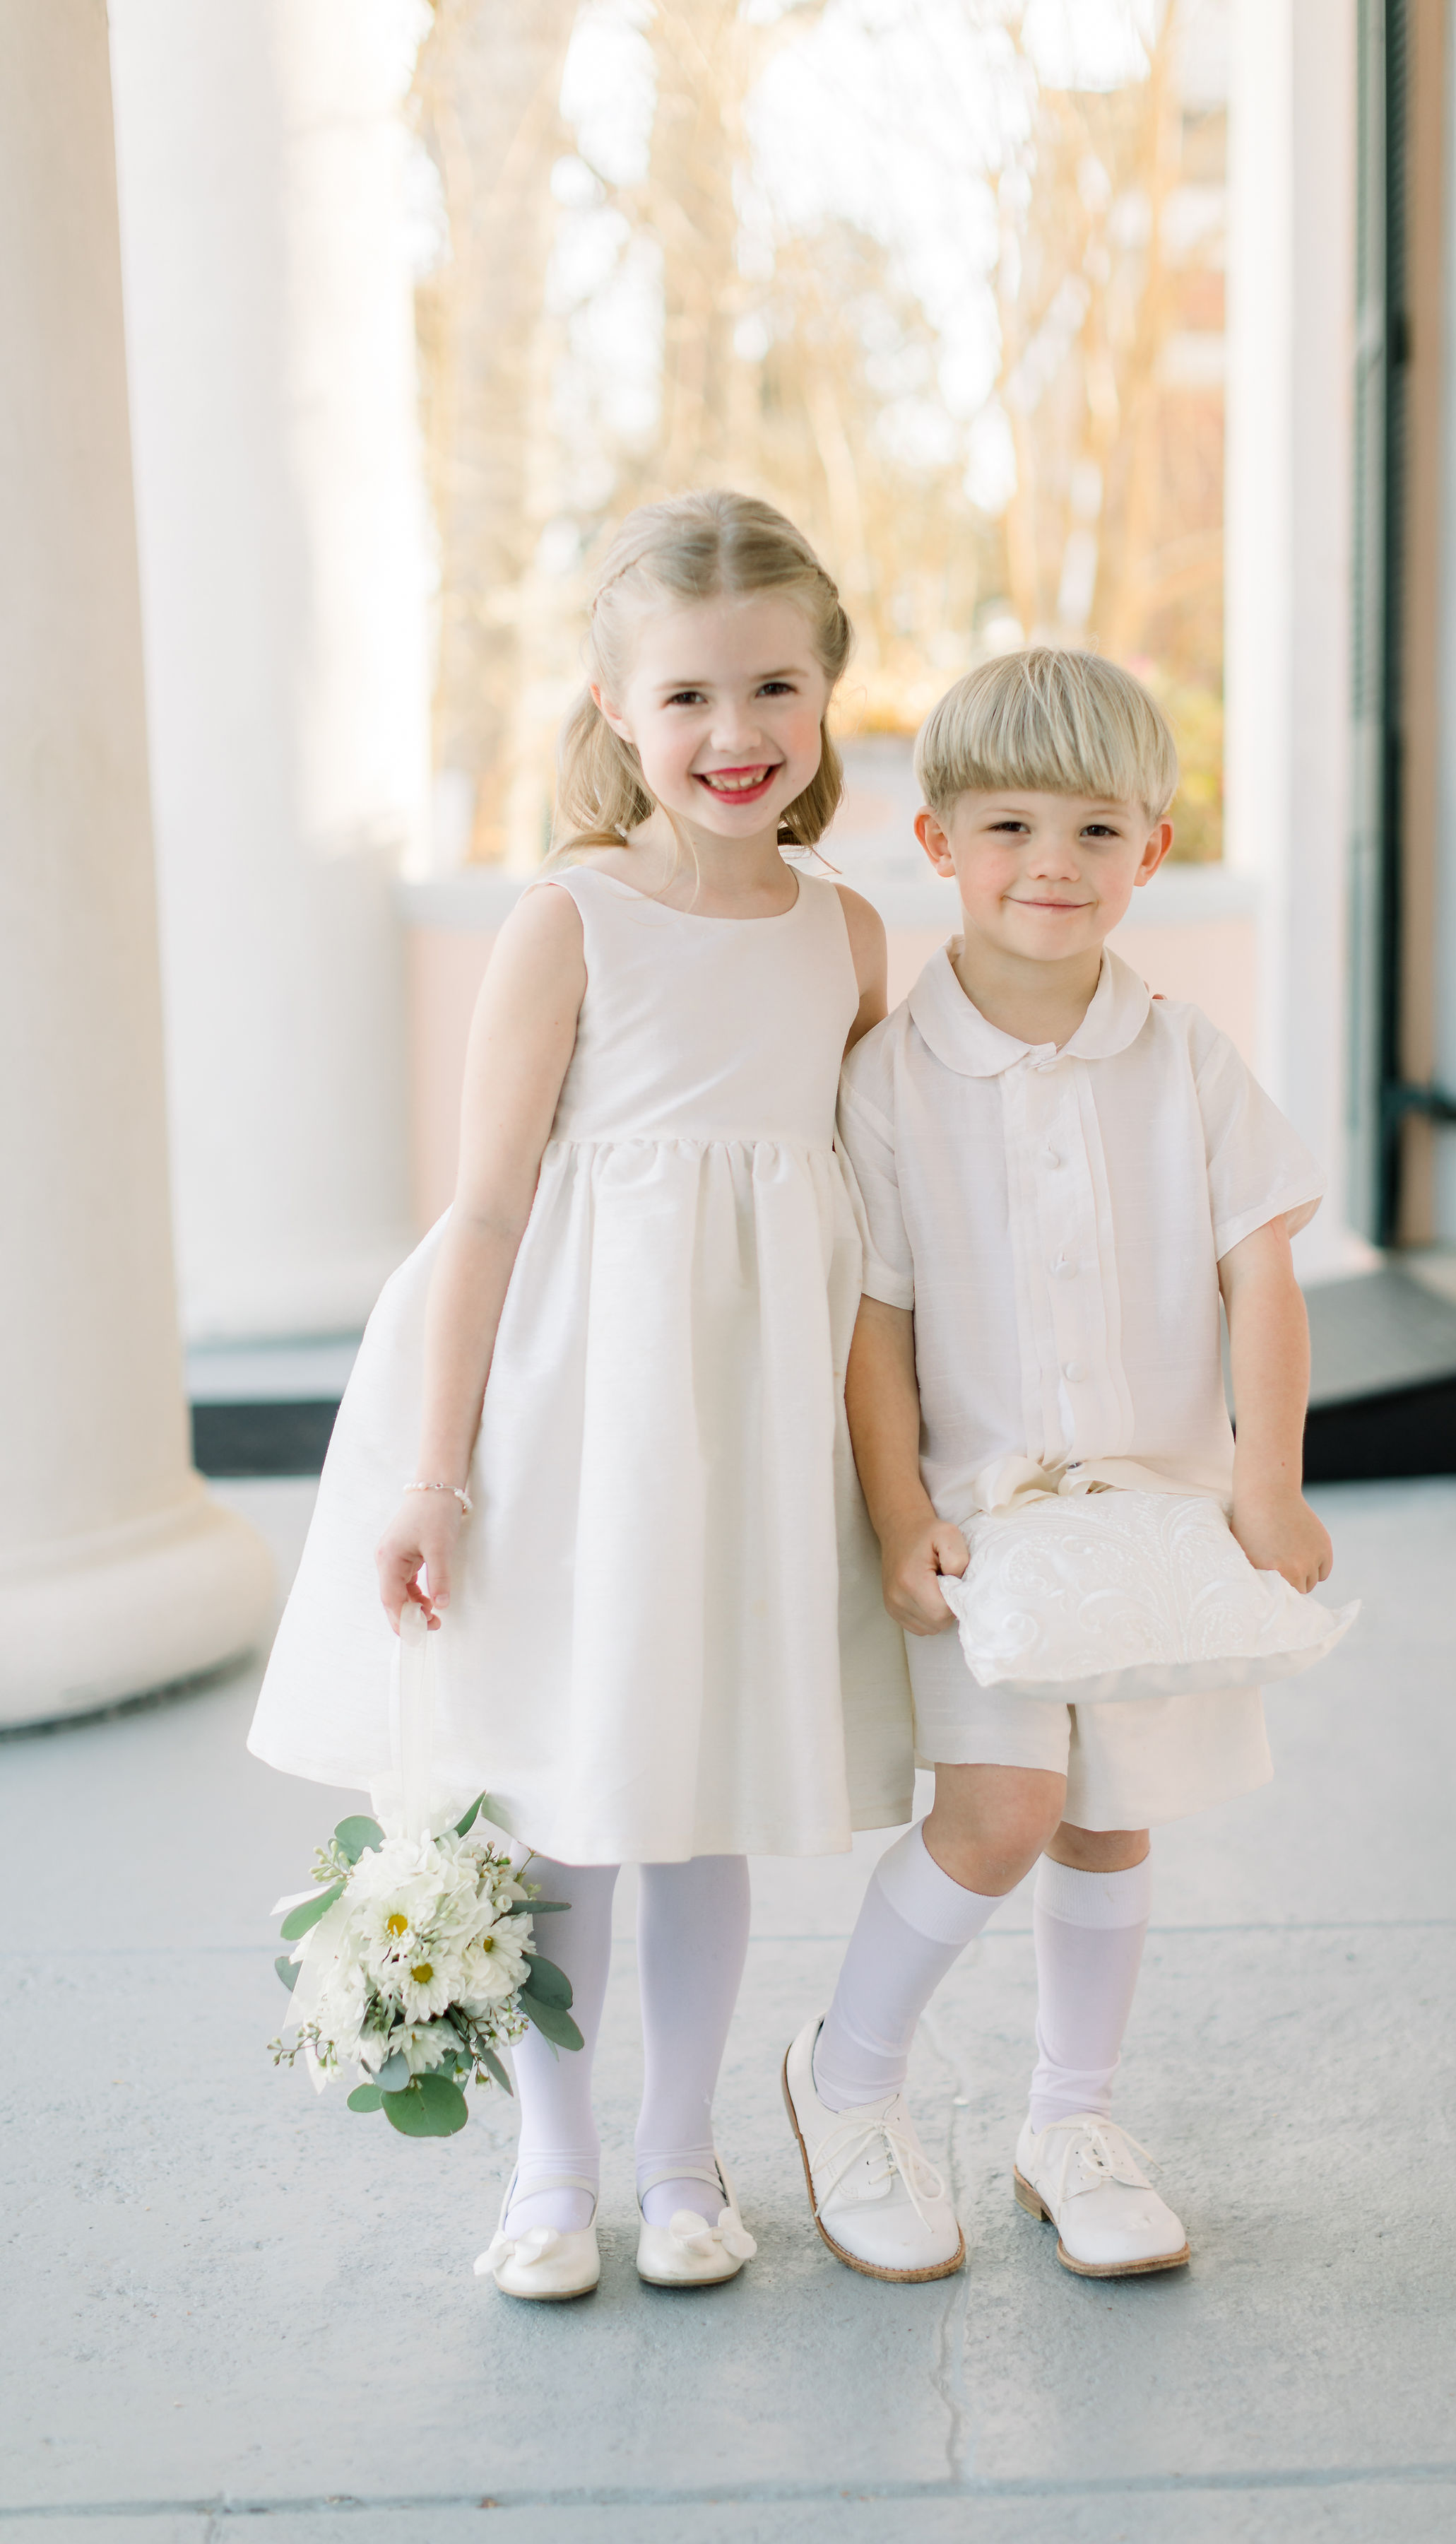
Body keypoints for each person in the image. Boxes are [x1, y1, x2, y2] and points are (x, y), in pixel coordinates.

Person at [249, 490, 913, 2301]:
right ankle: (552, 2172)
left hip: (750, 1432)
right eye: (687, 696)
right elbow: (483, 1212)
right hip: (576, 1424)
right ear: (617, 707)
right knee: (569, 1798)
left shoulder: (848, 939)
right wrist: (436, 1474)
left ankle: (683, 2156)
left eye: (773, 688)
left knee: (700, 1793)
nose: (735, 733)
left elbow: (871, 1222)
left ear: (828, 693)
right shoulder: (574, 919)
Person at [782, 647, 1329, 2283]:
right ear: (938, 841)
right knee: (1003, 1812)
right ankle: (847, 2080)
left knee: (1112, 1819)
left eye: (1097, 830)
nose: (1054, 866)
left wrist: (1269, 1484)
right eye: (1011, 827)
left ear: (1152, 848)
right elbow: (876, 1318)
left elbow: (1261, 1274)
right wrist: (900, 1515)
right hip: (986, 1531)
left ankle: (1070, 2122)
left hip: (1162, 1522)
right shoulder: (889, 1079)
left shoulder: (1187, 1058)